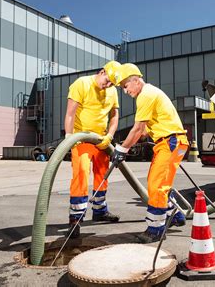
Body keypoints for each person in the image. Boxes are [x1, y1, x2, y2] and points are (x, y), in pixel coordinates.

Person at [112, 63, 189, 243]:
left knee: (156, 185)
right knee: (161, 183)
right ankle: (175, 216)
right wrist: (132, 140)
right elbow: (144, 131)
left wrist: (121, 149)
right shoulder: (150, 93)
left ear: (136, 80)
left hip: (170, 142)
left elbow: (138, 128)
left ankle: (155, 230)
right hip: (175, 142)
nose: (125, 91)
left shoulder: (145, 95)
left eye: (125, 86)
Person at [64, 60, 121, 238]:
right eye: (107, 80)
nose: (108, 85)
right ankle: (76, 219)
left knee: (102, 176)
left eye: (112, 83)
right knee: (80, 174)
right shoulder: (82, 84)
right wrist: (69, 136)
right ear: (102, 71)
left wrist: (109, 136)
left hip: (101, 141)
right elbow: (70, 113)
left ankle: (100, 211)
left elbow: (114, 115)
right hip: (81, 139)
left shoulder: (112, 91)